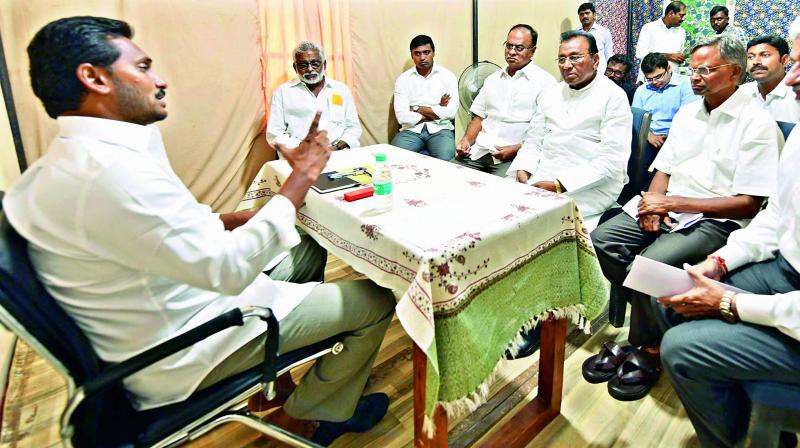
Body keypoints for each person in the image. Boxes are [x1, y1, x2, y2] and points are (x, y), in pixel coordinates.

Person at [5, 16, 394, 446]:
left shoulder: (76, 160)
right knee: (374, 300)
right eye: (143, 67)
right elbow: (227, 270)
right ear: (94, 77)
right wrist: (301, 176)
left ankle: (275, 388)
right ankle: (307, 418)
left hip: (178, 297)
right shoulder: (109, 173)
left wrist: (235, 219)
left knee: (305, 249)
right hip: (189, 341)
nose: (160, 80)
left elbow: (161, 229)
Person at [588, 34, 781, 402]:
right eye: (692, 69)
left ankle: (647, 346)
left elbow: (749, 204)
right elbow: (664, 166)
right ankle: (657, 318)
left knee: (651, 263)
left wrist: (671, 202)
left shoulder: (756, 124)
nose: (694, 77)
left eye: (706, 69)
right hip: (671, 205)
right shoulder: (688, 112)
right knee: (603, 239)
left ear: (735, 72)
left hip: (715, 219)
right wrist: (653, 203)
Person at [656, 16, 800, 447]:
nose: (791, 78)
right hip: (784, 267)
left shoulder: (756, 121)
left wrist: (734, 303)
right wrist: (720, 263)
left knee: (681, 347)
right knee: (679, 289)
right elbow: (776, 218)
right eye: (797, 59)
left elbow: (749, 203)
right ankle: (735, 416)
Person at [509, 30, 632, 232]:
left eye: (575, 57)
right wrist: (524, 168)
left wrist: (559, 185)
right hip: (545, 174)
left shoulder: (614, 97)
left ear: (595, 60)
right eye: (562, 59)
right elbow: (534, 140)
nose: (566, 65)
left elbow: (612, 162)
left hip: (591, 185)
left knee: (538, 224)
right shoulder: (552, 93)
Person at [454, 24, 556, 175]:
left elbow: (548, 131)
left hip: (516, 158)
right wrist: (466, 141)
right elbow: (478, 117)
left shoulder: (545, 83)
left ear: (533, 51)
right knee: (446, 177)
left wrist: (517, 149)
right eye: (508, 46)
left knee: (499, 194)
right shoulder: (492, 80)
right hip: (479, 153)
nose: (511, 52)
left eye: (519, 48)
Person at [267, 41, 362, 152]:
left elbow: (353, 128)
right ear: (295, 67)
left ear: (324, 65)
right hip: (298, 156)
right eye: (303, 65)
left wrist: (335, 148)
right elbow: (274, 134)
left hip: (338, 154)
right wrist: (303, 146)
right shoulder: (282, 93)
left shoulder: (341, 90)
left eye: (315, 63)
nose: (310, 69)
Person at [632, 52, 698, 185]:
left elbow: (689, 118)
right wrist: (649, 135)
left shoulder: (686, 85)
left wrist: (671, 137)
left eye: (658, 76)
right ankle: (640, 195)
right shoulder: (642, 90)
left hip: (677, 136)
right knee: (636, 165)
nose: (655, 82)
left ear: (668, 68)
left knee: (668, 169)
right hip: (649, 136)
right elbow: (635, 118)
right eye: (649, 79)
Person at [391, 35, 458, 160]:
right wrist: (437, 110)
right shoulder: (403, 80)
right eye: (417, 53)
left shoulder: (448, 76)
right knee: (393, 157)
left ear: (434, 52)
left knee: (447, 160)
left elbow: (450, 112)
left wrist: (415, 108)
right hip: (411, 130)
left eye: (426, 52)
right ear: (412, 55)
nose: (422, 57)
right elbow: (402, 117)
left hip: (440, 129)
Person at [741, 35, 800, 123]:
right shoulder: (741, 93)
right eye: (750, 57)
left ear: (784, 60)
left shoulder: (796, 93)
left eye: (765, 55)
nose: (756, 62)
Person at [635, 1, 687, 82]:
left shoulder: (681, 32)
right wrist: (668, 56)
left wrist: (680, 58)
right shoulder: (649, 28)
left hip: (671, 81)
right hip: (650, 80)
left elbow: (678, 56)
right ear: (671, 13)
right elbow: (640, 53)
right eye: (681, 15)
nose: (683, 19)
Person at [576, 2, 614, 75]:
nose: (584, 16)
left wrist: (608, 73)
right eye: (581, 14)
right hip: (582, 73)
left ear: (594, 15)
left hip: (600, 72)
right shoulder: (576, 33)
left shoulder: (604, 31)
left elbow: (608, 54)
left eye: (587, 13)